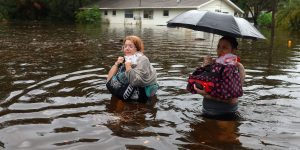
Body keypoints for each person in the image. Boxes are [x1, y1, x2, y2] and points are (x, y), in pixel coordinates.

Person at [191, 36, 246, 119]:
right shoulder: (213, 64)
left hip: (226, 115)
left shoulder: (237, 67)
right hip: (206, 111)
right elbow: (197, 83)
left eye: (224, 47)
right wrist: (204, 66)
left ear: (233, 51)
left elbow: (231, 99)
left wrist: (205, 94)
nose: (220, 50)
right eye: (218, 47)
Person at [106, 35, 158, 102]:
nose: (127, 48)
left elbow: (136, 82)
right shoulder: (126, 59)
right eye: (125, 46)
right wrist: (116, 64)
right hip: (128, 94)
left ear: (137, 48)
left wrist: (128, 67)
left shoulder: (143, 59)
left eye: (131, 46)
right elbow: (109, 81)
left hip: (143, 94)